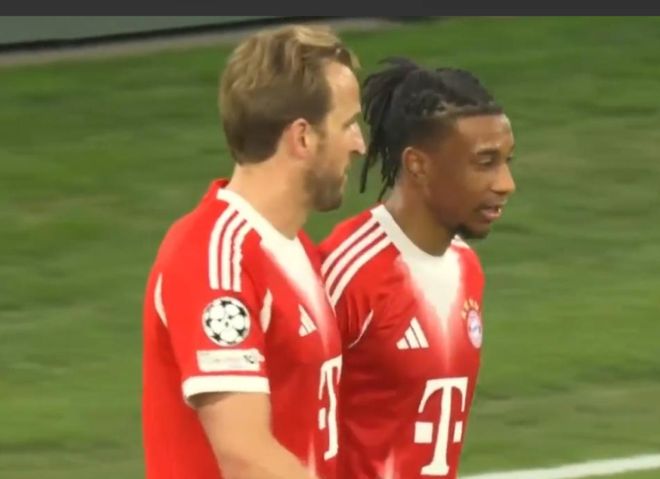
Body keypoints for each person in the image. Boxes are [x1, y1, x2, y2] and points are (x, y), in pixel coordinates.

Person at [142, 24, 365, 479]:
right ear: (303, 138)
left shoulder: (296, 252)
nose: (359, 144)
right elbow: (245, 457)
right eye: (347, 125)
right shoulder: (213, 259)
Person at [318, 57, 516, 479]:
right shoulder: (348, 273)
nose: (505, 184)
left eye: (506, 162)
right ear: (418, 165)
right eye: (485, 163)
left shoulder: (465, 267)